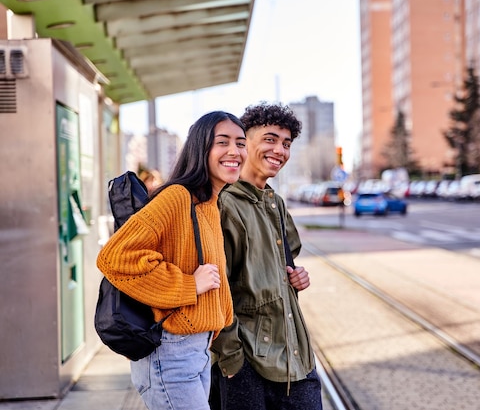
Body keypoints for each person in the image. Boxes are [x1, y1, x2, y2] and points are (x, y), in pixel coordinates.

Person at [97, 111, 247, 410]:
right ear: (200, 148)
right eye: (223, 142)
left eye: (241, 143)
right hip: (171, 352)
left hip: (196, 349)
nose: (235, 151)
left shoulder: (209, 204)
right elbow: (115, 256)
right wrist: (189, 284)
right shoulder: (177, 197)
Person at [210, 102, 323, 410]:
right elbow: (216, 290)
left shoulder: (276, 203)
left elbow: (281, 267)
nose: (280, 150)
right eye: (270, 139)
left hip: (295, 356)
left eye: (286, 144)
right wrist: (233, 361)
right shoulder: (225, 205)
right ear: (244, 143)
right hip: (248, 363)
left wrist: (296, 276)